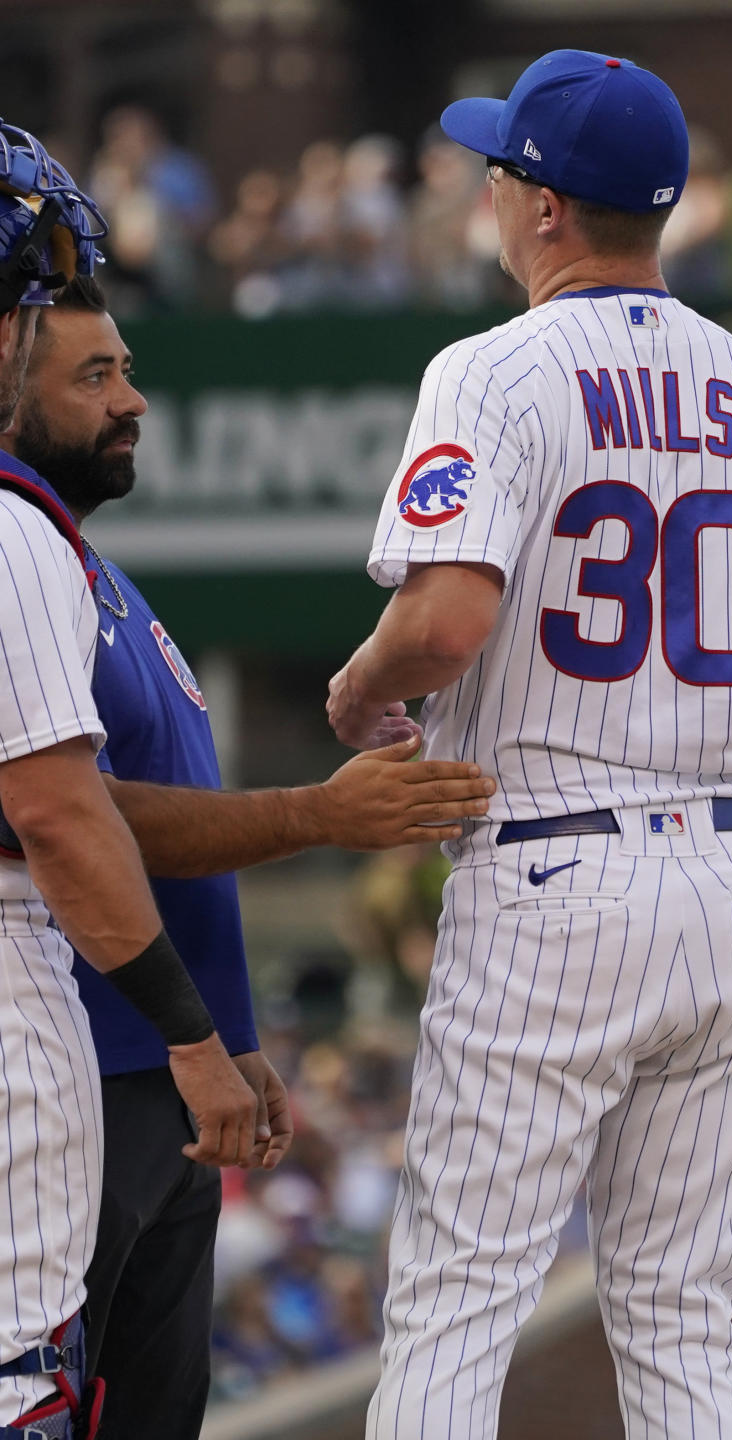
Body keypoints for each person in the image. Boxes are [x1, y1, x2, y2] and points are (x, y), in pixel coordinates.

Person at [326, 50, 732, 1440]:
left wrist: (359, 690)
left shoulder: (493, 371)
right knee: (678, 1316)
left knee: (458, 1298)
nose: (490, 189)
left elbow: (440, 624)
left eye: (504, 168)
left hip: (553, 864)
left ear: (546, 208)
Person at [3, 273, 496, 1440]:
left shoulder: (88, 573)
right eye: (94, 376)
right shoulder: (21, 556)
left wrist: (229, 1034)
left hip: (163, 1065)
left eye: (126, 368)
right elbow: (77, 816)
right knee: (43, 1395)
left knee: (144, 1414)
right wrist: (315, 817)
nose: (131, 400)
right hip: (95, 1048)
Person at [0, 124, 259, 1438]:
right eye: (46, 304)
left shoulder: (71, 554)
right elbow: (59, 811)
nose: (132, 394)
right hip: (46, 1007)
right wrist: (197, 1036)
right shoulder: (9, 531)